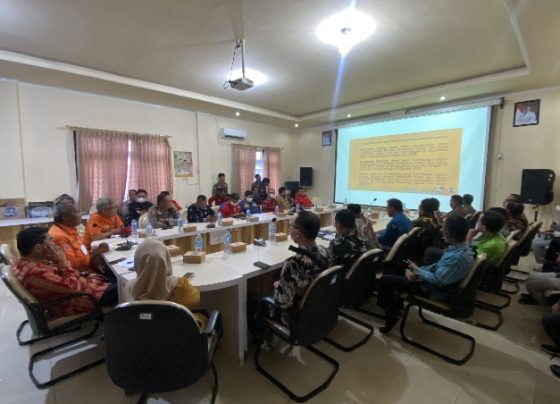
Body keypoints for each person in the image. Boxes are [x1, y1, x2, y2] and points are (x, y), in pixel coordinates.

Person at [377, 216, 474, 333]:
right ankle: (397, 304)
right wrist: (417, 269)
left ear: (449, 232)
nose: (442, 230)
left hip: (433, 289)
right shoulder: (462, 248)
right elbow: (437, 267)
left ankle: (391, 316)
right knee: (400, 266)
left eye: (444, 227)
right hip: (431, 279)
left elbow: (438, 280)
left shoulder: (456, 258)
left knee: (384, 279)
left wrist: (417, 271)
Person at [13, 227, 117, 316]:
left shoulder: (32, 262)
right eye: (50, 240)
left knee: (119, 280)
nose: (54, 243)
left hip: (85, 286)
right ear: (38, 248)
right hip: (78, 299)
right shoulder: (34, 272)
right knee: (125, 288)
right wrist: (62, 262)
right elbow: (74, 287)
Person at [271, 211, 334, 325]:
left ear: (297, 233)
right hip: (319, 306)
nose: (290, 229)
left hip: (299, 314)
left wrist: (279, 286)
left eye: (291, 226)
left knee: (253, 300)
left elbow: (282, 302)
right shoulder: (325, 251)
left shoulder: (292, 264)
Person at [126, 239, 206, 328]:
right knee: (203, 315)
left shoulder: (129, 287)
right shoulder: (180, 286)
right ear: (166, 259)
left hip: (143, 335)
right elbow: (195, 300)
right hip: (175, 334)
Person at [48, 203, 109, 273]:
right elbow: (74, 266)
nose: (81, 215)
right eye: (77, 212)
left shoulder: (70, 229)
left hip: (89, 267)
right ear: (65, 217)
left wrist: (96, 252)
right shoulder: (59, 237)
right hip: (80, 274)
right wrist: (97, 251)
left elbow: (82, 253)